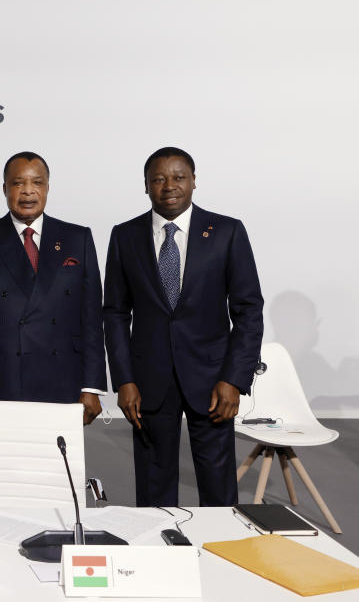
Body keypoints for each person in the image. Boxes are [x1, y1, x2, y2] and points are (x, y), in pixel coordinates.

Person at [103, 146, 264, 507]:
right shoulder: (124, 236)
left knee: (218, 484)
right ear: (146, 186)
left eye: (178, 177)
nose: (169, 186)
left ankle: (221, 550)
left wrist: (234, 379)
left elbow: (249, 310)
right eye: (158, 179)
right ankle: (160, 557)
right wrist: (124, 380)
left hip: (213, 381)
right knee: (154, 483)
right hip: (148, 381)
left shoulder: (227, 232)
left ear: (194, 182)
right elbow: (114, 313)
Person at [0, 152, 106, 423]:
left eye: (37, 183)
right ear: (5, 189)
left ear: (47, 188)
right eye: (18, 183)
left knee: (55, 464)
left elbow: (91, 320)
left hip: (63, 383)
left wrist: (91, 387)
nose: (28, 191)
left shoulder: (77, 238)